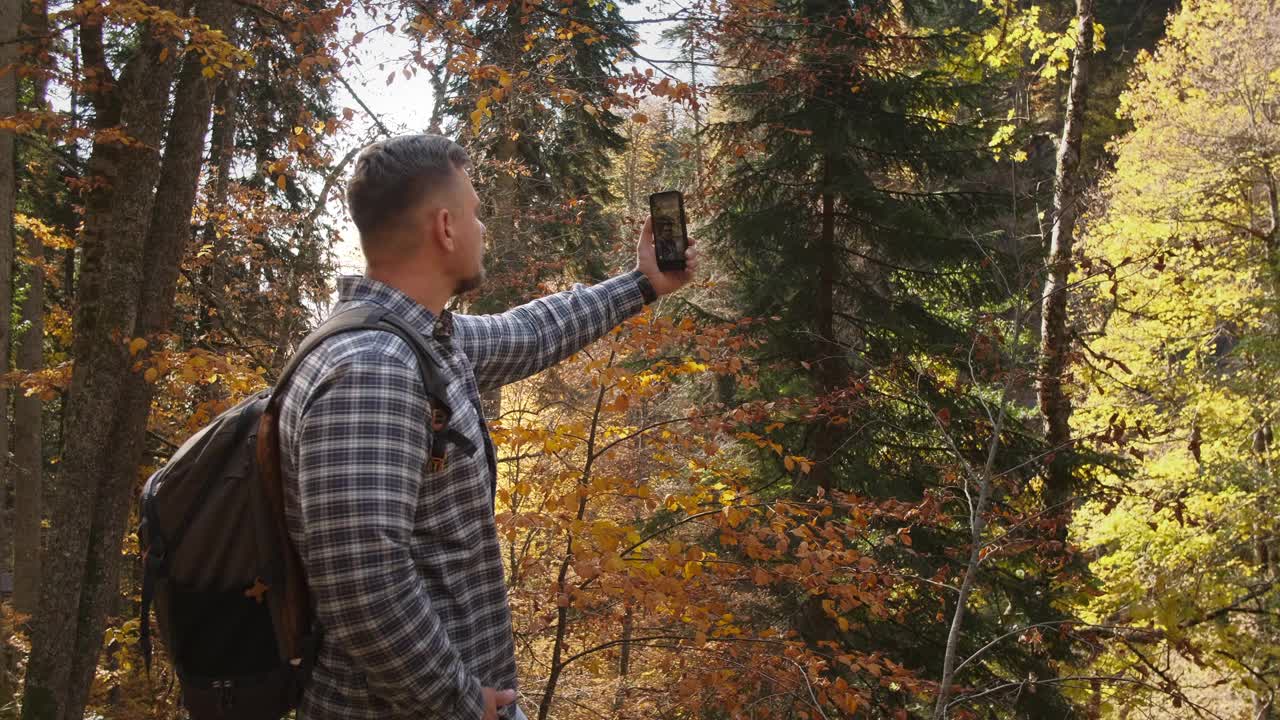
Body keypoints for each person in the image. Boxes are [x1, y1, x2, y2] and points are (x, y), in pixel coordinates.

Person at [276, 134, 698, 720]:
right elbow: (363, 580)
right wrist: (456, 699)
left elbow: (530, 332)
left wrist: (642, 284)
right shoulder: (373, 368)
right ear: (445, 228)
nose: (483, 229)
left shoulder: (419, 340)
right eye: (475, 214)